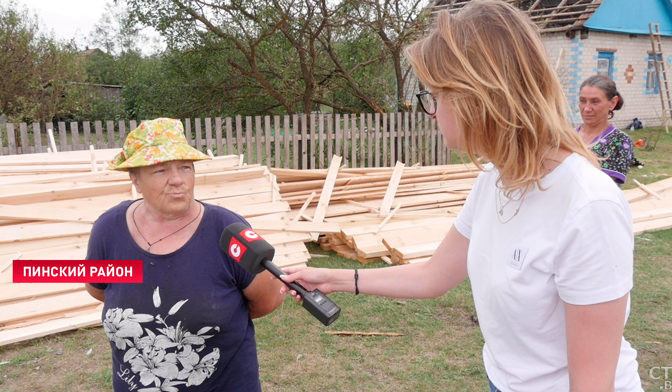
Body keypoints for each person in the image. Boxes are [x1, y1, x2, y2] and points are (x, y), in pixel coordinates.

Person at [280, 2, 643, 392]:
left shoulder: (590, 207)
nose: (430, 111)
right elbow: (432, 277)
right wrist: (332, 278)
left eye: (435, 94)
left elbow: (592, 384)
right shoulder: (494, 179)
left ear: (478, 96)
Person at [85, 118, 284, 392]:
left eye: (185, 168)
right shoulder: (108, 229)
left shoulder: (227, 230)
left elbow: (267, 299)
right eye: (160, 170)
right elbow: (99, 290)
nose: (177, 179)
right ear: (135, 179)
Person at [578, 75, 636, 185]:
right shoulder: (568, 136)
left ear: (612, 103)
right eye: (582, 101)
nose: (586, 109)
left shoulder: (619, 141)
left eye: (595, 102)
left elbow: (604, 186)